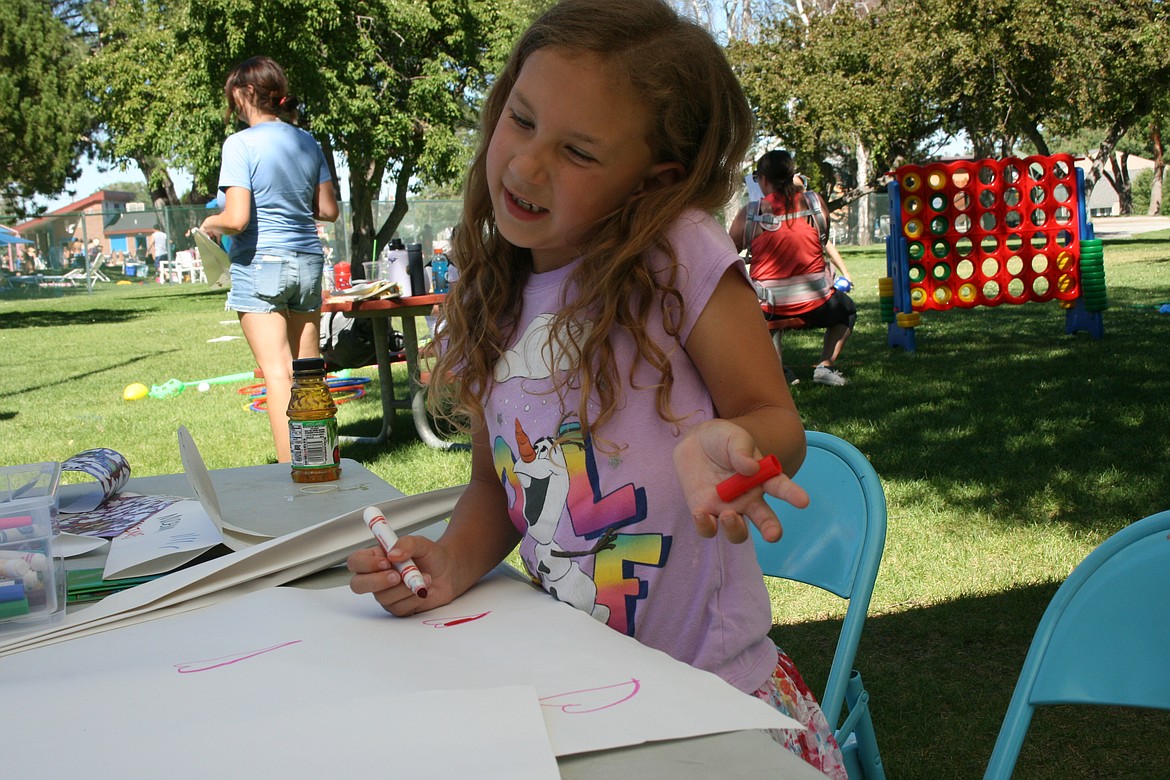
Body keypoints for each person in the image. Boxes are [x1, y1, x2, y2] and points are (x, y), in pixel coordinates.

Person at [346, 2, 846, 776]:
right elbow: (494, 482)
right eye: (521, 120)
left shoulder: (678, 257)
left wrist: (737, 448)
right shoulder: (492, 289)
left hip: (710, 704)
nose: (525, 166)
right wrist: (448, 563)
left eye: (578, 152)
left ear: (654, 179)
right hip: (575, 695)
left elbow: (775, 417)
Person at [201, 55, 339, 462]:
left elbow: (237, 218)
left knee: (278, 373)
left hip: (262, 266)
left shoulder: (239, 145)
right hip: (308, 263)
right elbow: (329, 210)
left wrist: (211, 222)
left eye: (234, 100)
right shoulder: (307, 140)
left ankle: (291, 469)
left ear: (246, 93)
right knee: (309, 372)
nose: (234, 110)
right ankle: (320, 460)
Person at [729, 150, 856, 387]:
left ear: (763, 180)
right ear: (792, 176)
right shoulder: (814, 203)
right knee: (847, 311)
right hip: (818, 303)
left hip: (770, 306)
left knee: (762, 315)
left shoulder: (751, 214)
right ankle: (825, 365)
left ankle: (781, 373)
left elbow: (727, 253)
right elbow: (822, 237)